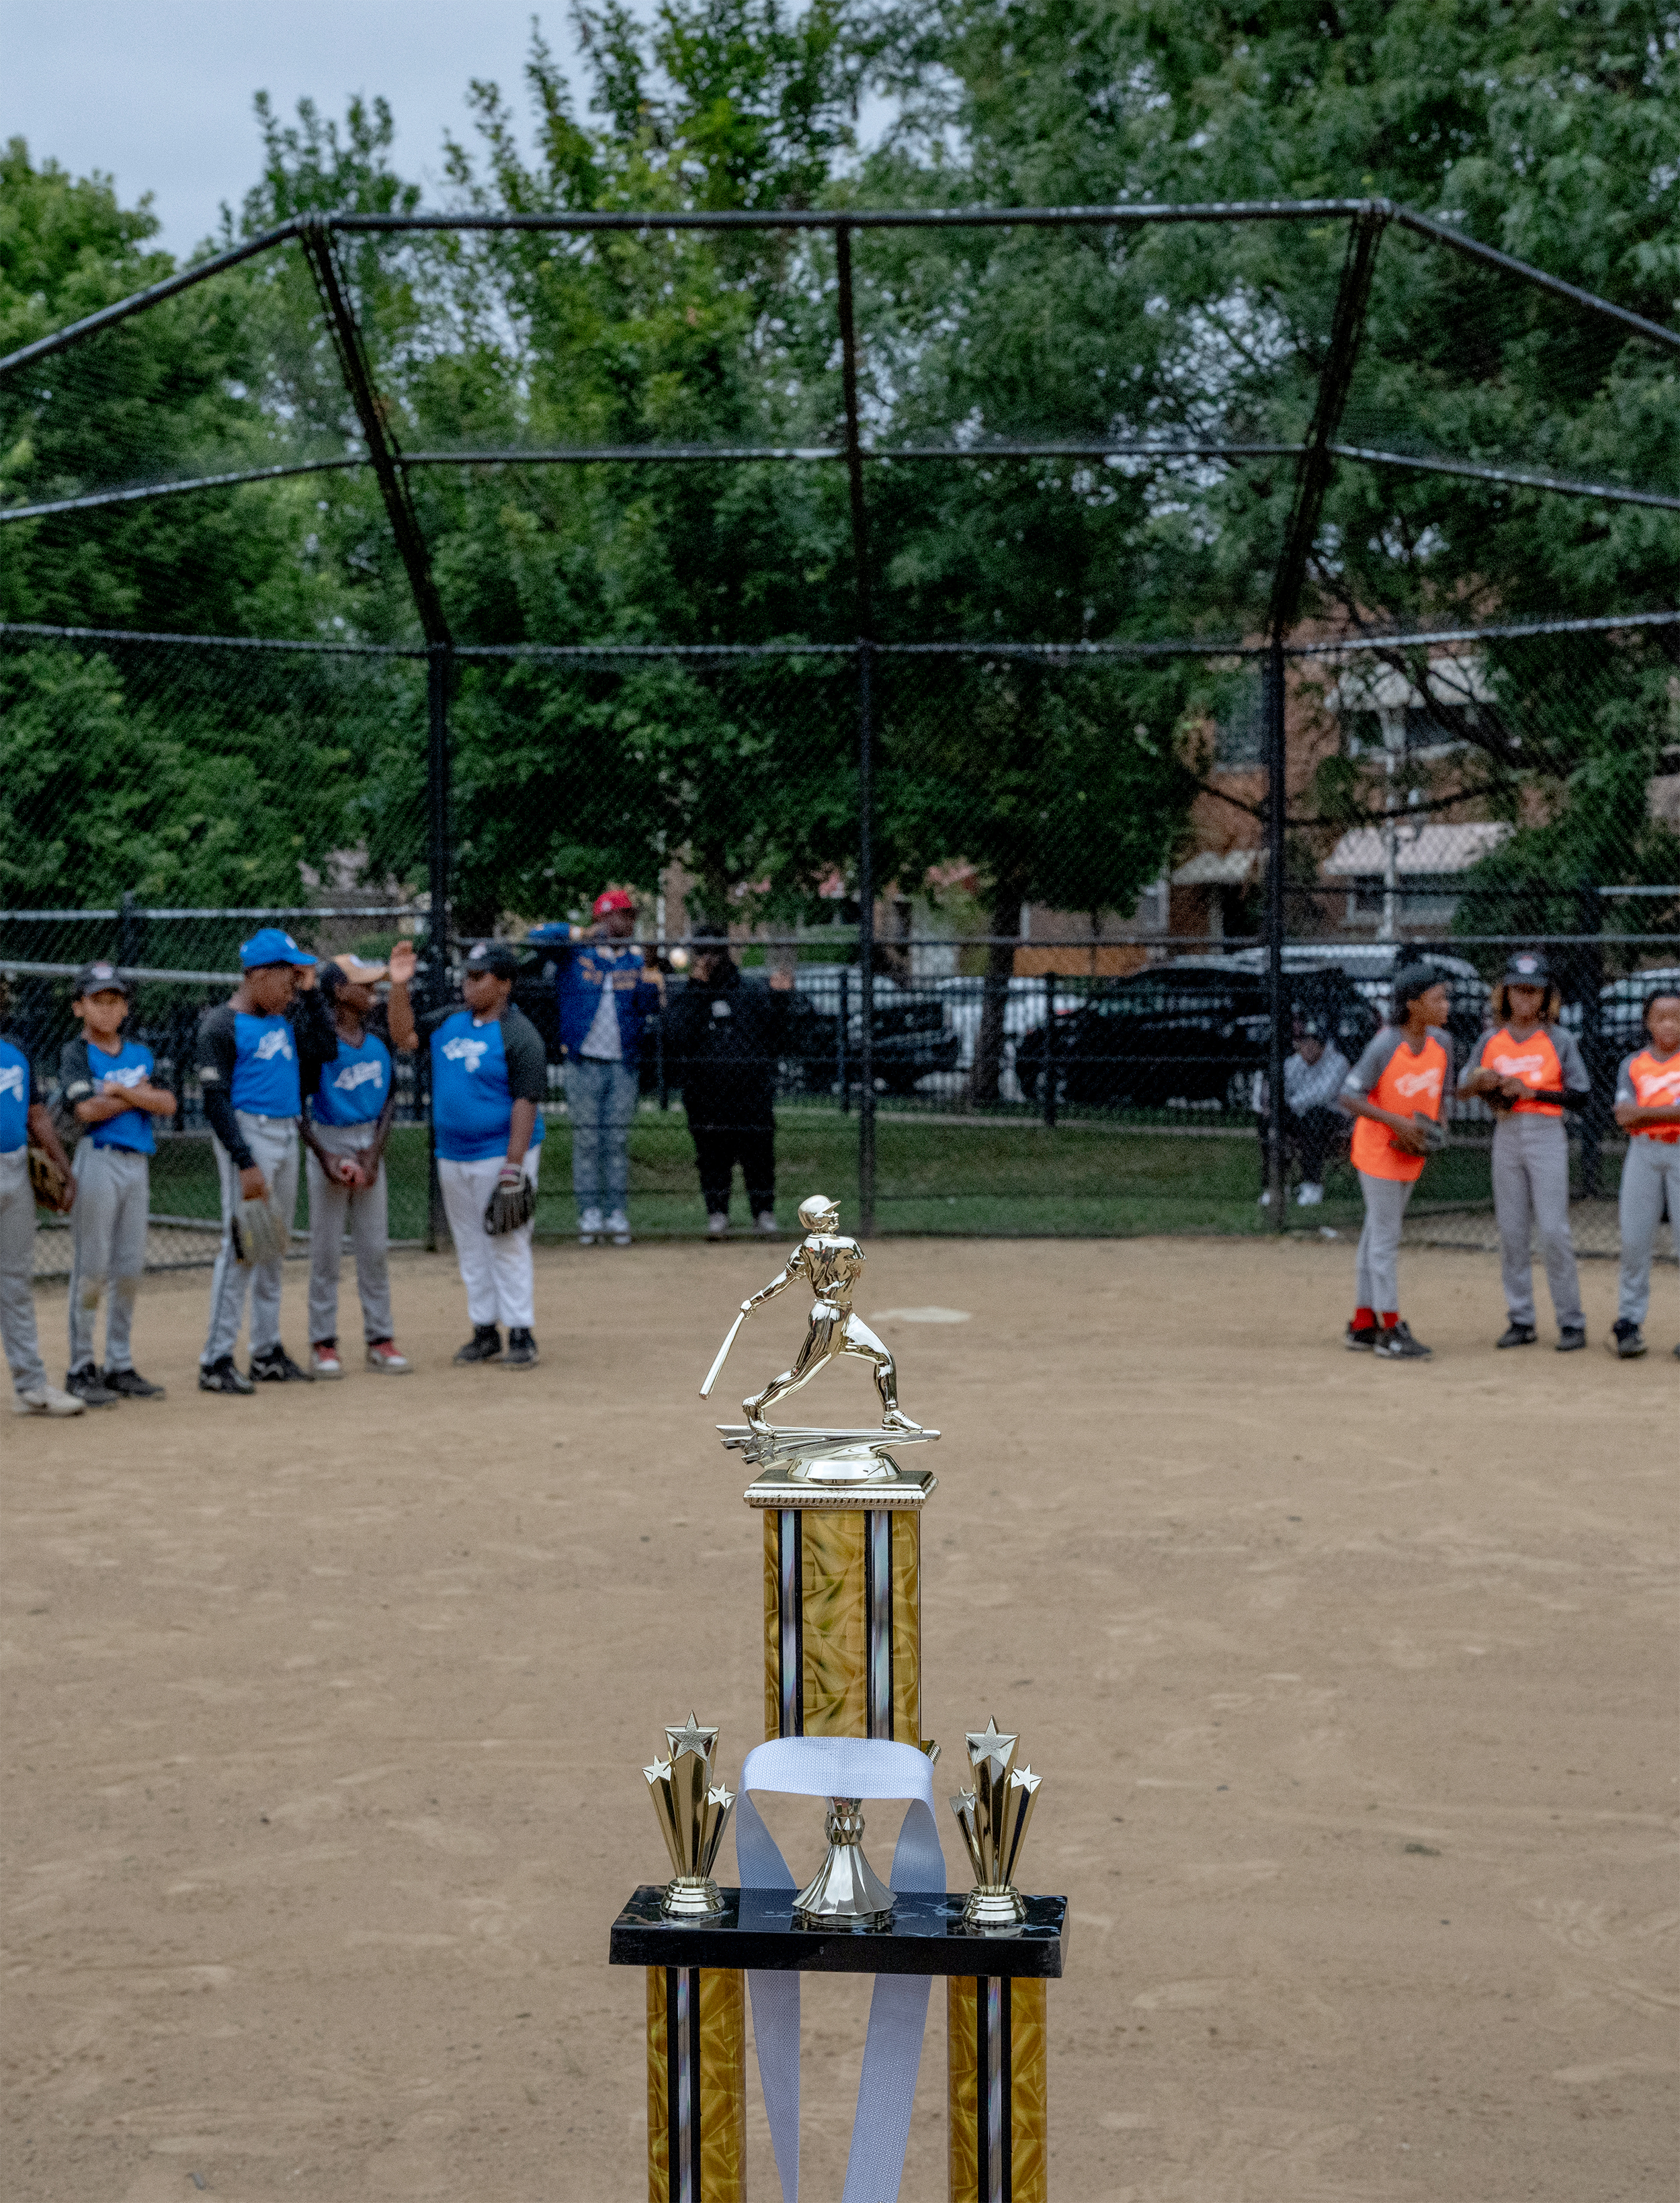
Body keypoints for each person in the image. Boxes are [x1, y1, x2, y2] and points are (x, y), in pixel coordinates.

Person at [390, 938, 546, 1368]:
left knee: (507, 1239)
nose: (468, 984)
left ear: (505, 984)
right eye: (467, 975)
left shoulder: (519, 1034)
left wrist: (514, 1167)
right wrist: (399, 986)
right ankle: (484, 1330)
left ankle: (521, 1332)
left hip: (501, 1152)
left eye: (479, 977)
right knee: (470, 1244)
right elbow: (403, 1037)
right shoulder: (449, 1022)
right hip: (453, 1152)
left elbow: (526, 1102)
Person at [196, 928, 337, 1395]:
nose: (294, 985)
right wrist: (244, 1161)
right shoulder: (222, 1024)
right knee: (241, 1249)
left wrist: (314, 994)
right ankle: (215, 1359)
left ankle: (267, 1351)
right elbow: (215, 1102)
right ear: (258, 975)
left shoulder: (286, 1019)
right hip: (248, 1133)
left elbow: (327, 1048)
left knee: (273, 1246)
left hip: (284, 1128)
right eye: (288, 976)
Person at [1457, 950, 1590, 1352]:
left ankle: (1571, 1320)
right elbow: (1464, 1085)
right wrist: (1486, 1083)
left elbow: (1581, 1095)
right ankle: (1521, 1318)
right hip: (1507, 1131)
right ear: (1506, 994)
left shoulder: (1559, 1039)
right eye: (1518, 991)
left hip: (1546, 1131)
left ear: (1546, 997)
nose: (1526, 999)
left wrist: (1534, 1091)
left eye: (1534, 992)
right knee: (1512, 1231)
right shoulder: (1491, 1039)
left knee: (1553, 1231)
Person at [58, 960, 177, 1403]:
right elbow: (85, 1112)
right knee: (93, 1267)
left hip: (136, 1164)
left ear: (126, 1009)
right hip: (98, 1161)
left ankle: (120, 1363)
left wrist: (119, 1092)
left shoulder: (140, 1053)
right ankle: (80, 1366)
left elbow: (167, 1103)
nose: (108, 1010)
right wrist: (138, 1096)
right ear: (79, 1007)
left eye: (116, 1001)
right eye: (98, 1001)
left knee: (128, 1269)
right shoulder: (76, 1053)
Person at [301, 946, 418, 1378]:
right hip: (329, 1141)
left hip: (369, 1143)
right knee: (326, 1252)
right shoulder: (319, 1041)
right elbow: (298, 1108)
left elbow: (389, 1101)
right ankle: (323, 1342)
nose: (373, 989)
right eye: (362, 984)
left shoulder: (378, 1040)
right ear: (336, 991)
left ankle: (380, 1338)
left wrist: (373, 1153)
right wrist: (325, 1155)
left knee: (373, 1249)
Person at [529, 891, 663, 1247]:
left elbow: (649, 1007)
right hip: (582, 1062)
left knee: (616, 1140)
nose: (629, 923)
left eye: (632, 916)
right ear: (604, 918)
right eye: (622, 915)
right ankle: (589, 1212)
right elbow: (536, 935)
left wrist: (652, 968)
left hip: (623, 1065)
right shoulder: (576, 955)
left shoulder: (634, 963)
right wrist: (579, 933)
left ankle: (616, 1213)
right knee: (587, 1140)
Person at [1337, 964, 1455, 1360]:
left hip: (1410, 1150)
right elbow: (1348, 1096)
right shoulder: (1386, 1044)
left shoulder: (1443, 1044)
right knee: (1385, 1238)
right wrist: (1397, 1123)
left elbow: (1441, 1095)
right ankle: (1391, 1330)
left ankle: (1362, 1323)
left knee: (1376, 1234)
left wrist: (1435, 1128)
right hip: (1378, 1151)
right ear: (1412, 1004)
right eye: (1438, 998)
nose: (1447, 1004)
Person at [734, 1192, 921, 1433]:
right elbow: (858, 1266)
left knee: (884, 1358)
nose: (835, 1215)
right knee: (799, 1376)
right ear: (816, 1220)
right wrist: (755, 1300)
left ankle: (892, 1414)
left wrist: (755, 1300)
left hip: (845, 1316)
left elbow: (783, 1280)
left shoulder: (804, 1249)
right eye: (829, 1213)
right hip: (828, 1319)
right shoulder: (847, 1244)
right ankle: (755, 1404)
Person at [663, 925, 793, 1238]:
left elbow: (779, 1037)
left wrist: (782, 1000)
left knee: (758, 1154)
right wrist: (697, 990)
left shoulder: (750, 991)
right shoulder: (687, 995)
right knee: (712, 1155)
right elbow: (676, 1038)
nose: (709, 959)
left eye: (715, 952)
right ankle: (717, 1214)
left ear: (726, 952)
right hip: (706, 1093)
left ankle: (764, 1214)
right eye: (702, 953)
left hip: (751, 1090)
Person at [1, 989, 84, 1417]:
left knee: (14, 1283)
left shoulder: (15, 1054)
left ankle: (31, 1386)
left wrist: (64, 1170)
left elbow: (36, 1116)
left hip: (14, 1172)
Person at [1607, 985, 1680, 1360]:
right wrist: (1663, 1112)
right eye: (1661, 1017)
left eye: (1676, 1018)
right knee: (1635, 1240)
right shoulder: (1632, 1064)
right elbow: (1623, 1116)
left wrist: (1645, 1113)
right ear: (1648, 1022)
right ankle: (1629, 1323)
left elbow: (1637, 1114)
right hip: (1644, 1152)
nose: (1669, 1025)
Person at [1255, 1017, 1350, 1208]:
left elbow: (1322, 1095)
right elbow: (1281, 1092)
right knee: (1270, 1122)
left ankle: (1312, 1185)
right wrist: (1279, 1108)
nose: (1306, 1047)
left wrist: (1289, 1105)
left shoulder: (1337, 1062)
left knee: (1314, 1117)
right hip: (1301, 1115)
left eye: (1312, 1042)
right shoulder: (1294, 1063)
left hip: (1333, 1120)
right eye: (1303, 1042)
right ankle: (1276, 1185)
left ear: (1323, 1045)